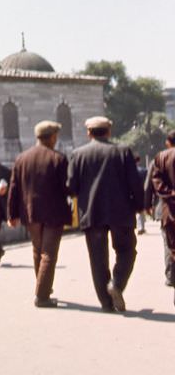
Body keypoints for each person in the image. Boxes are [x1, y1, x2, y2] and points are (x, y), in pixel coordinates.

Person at [67, 115, 144, 312]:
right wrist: (140, 205)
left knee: (97, 258)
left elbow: (72, 187)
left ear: (89, 133)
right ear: (109, 131)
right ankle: (117, 284)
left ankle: (106, 303)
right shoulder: (123, 151)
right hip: (121, 213)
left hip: (92, 214)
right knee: (127, 250)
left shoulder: (78, 154)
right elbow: (135, 183)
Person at [7, 121, 71, 307]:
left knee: (38, 250)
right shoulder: (58, 158)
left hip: (30, 212)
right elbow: (66, 187)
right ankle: (42, 296)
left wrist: (12, 214)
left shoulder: (22, 158)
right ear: (52, 137)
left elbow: (14, 188)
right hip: (53, 212)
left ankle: (42, 286)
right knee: (49, 253)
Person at [149, 129, 175, 304]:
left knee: (172, 249)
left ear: (168, 142)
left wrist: (170, 193)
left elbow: (156, 182)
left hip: (171, 212)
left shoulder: (161, 157)